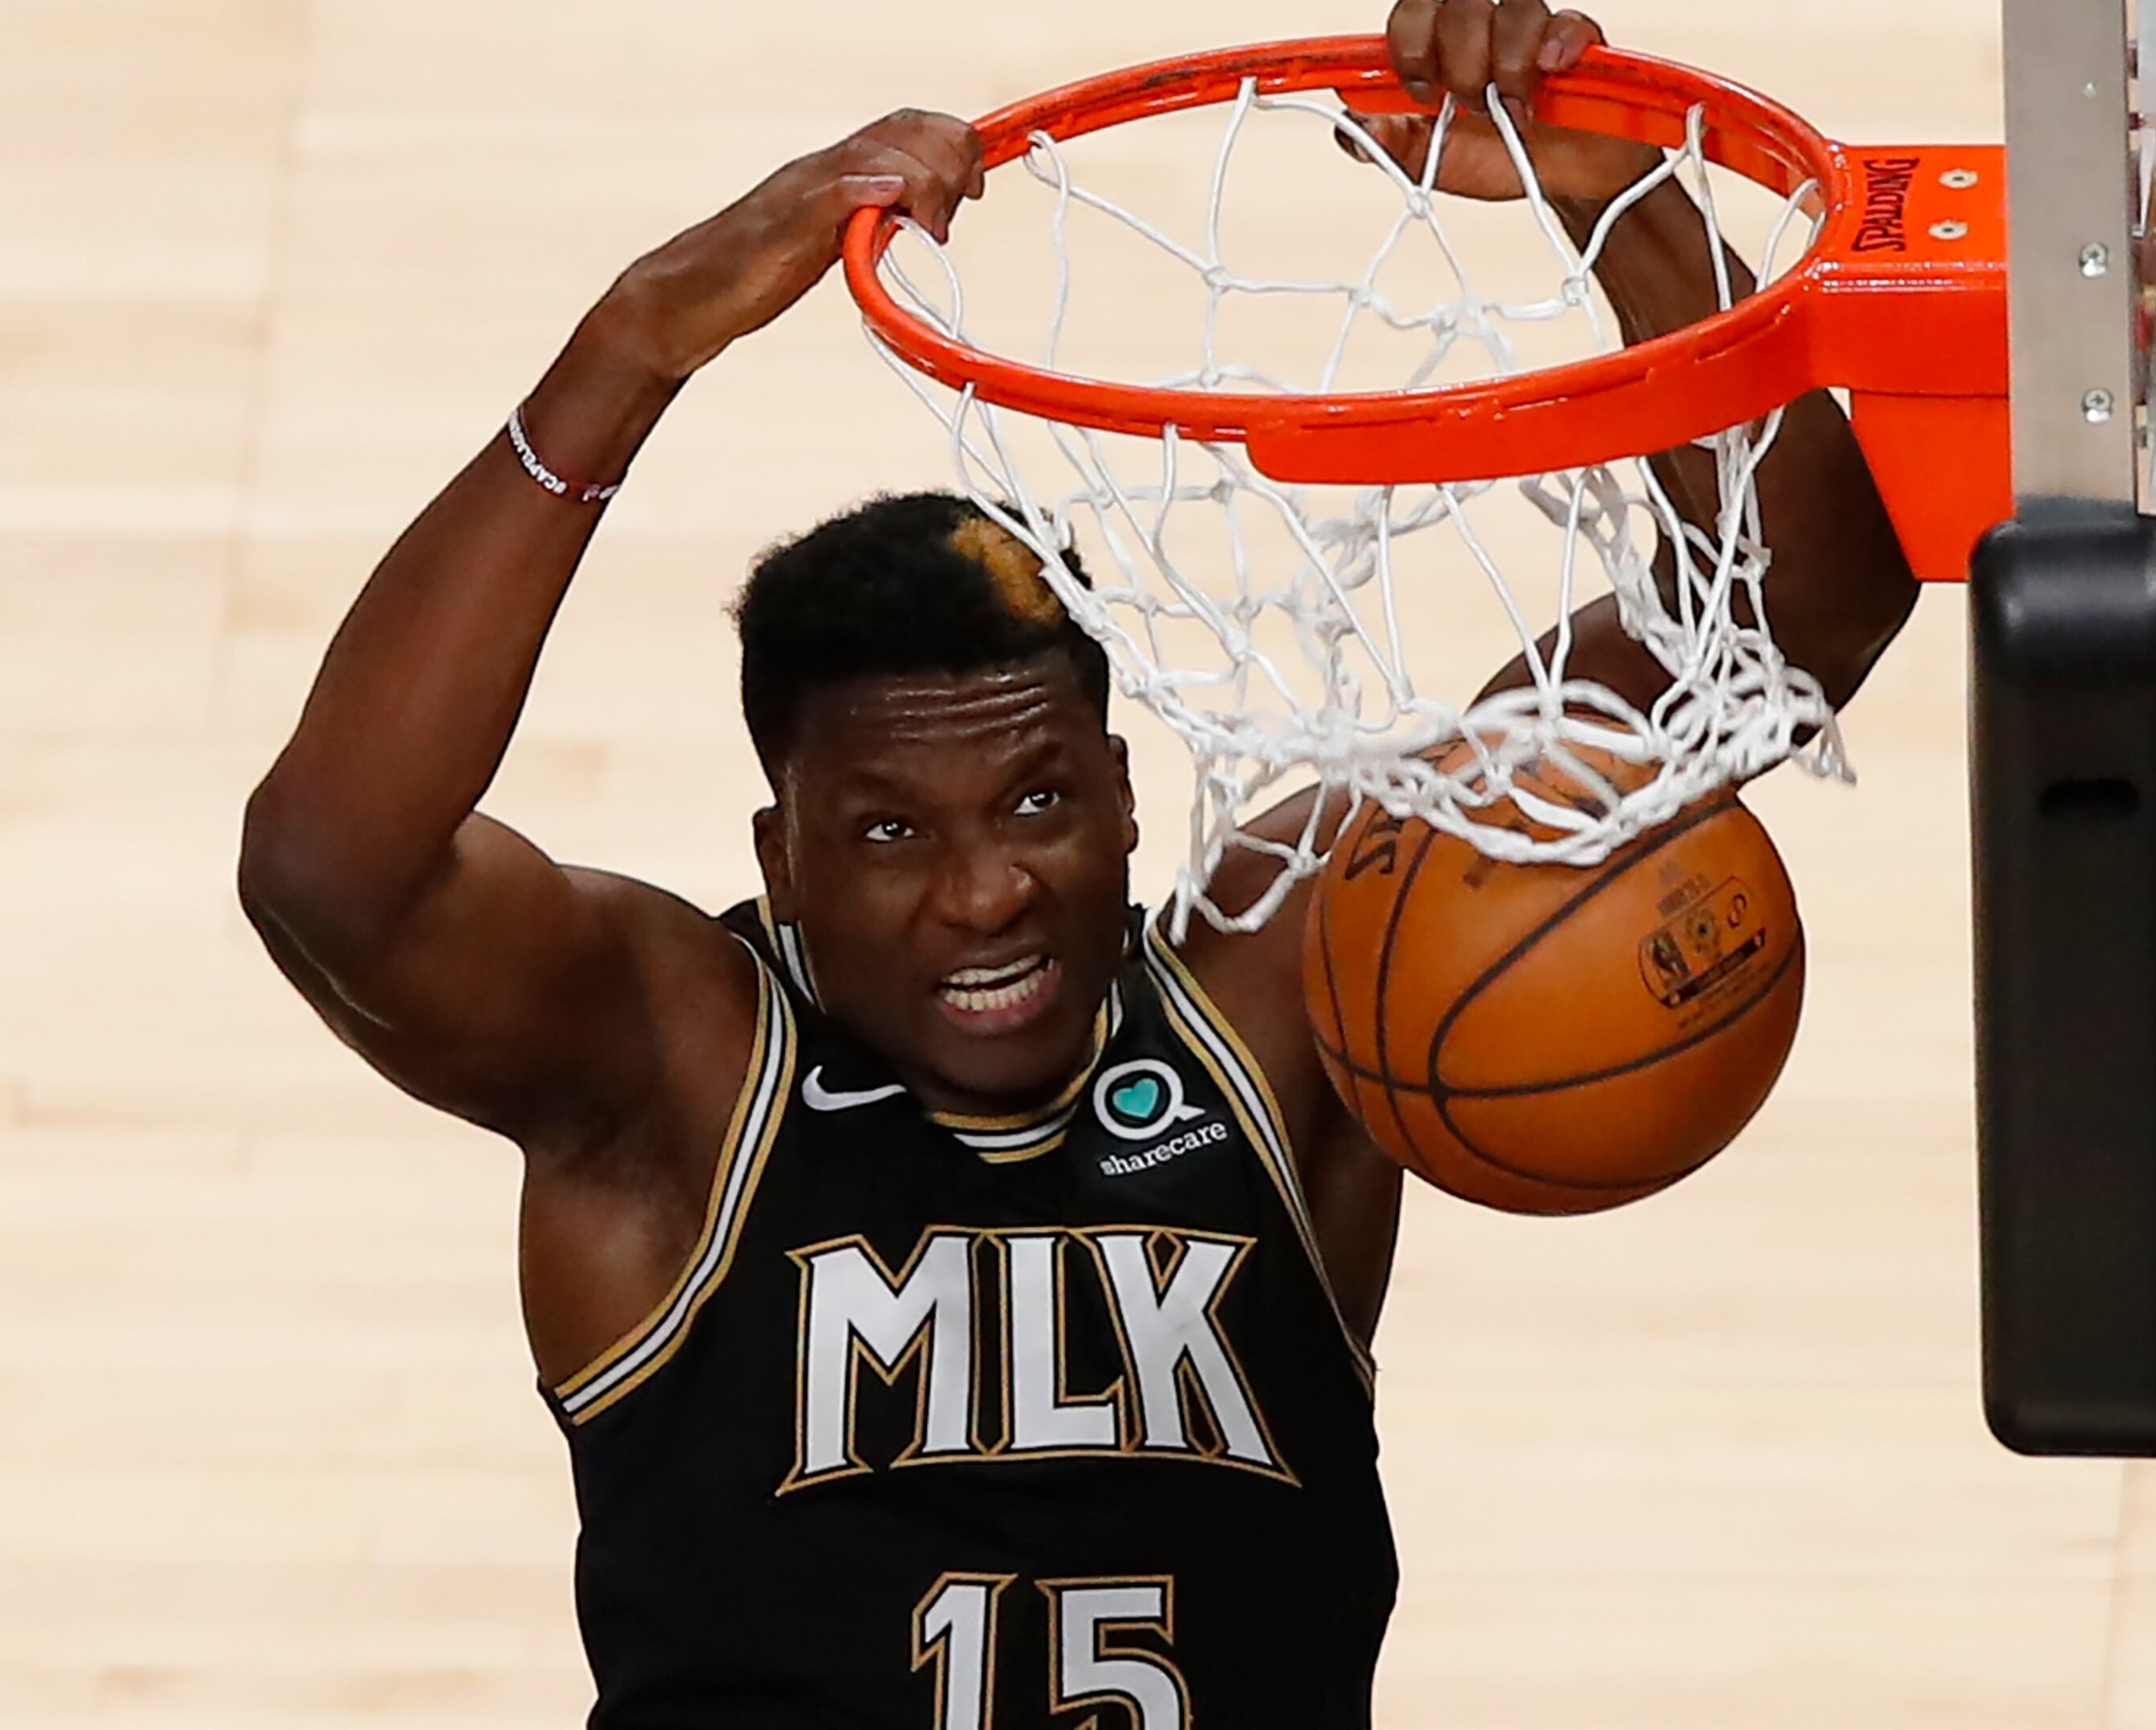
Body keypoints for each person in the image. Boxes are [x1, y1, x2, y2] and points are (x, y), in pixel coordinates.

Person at [238, 2, 1918, 1722]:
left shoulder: (1294, 983)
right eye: (890, 832)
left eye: (1038, 803)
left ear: (1125, 796)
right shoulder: (677, 1077)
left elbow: (1798, 611)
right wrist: (629, 348)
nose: (987, 891)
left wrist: (1617, 193)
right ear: (782, 862)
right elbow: (328, 870)